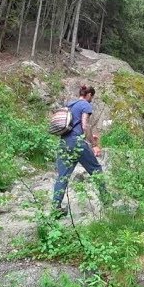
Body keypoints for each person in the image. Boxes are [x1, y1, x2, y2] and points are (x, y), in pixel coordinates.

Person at [52, 84, 108, 217]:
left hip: (64, 142)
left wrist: (88, 135)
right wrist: (94, 144)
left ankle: (56, 208)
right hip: (77, 142)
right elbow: (84, 125)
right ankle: (107, 201)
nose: (91, 100)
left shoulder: (69, 104)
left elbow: (73, 124)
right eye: (92, 97)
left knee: (63, 176)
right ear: (89, 95)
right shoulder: (85, 105)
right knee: (96, 169)